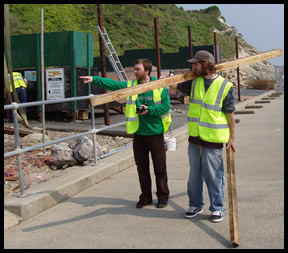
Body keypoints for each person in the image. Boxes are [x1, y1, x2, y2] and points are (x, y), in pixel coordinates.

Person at [80, 59, 172, 208]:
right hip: (139, 134)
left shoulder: (158, 86)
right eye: (135, 69)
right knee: (142, 168)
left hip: (155, 132)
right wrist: (94, 79)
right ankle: (145, 197)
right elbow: (114, 85)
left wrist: (149, 111)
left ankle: (163, 196)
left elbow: (165, 107)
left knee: (159, 167)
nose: (135, 72)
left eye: (138, 69)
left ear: (147, 71)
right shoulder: (130, 86)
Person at [175, 50, 236, 223]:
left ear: (206, 64)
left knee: (213, 175)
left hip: (213, 139)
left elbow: (230, 113)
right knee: (194, 175)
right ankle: (195, 204)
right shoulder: (194, 83)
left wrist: (233, 137)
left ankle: (217, 208)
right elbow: (174, 86)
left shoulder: (225, 86)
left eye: (195, 63)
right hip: (195, 138)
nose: (192, 66)